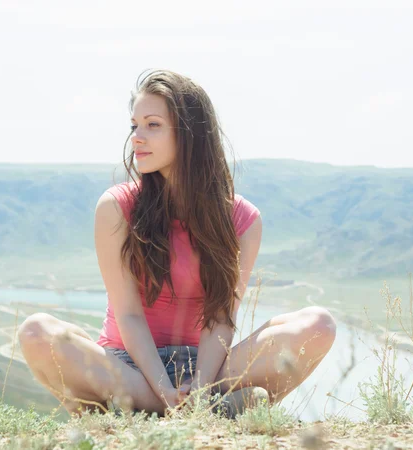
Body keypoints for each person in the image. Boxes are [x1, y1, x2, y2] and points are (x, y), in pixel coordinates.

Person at [17, 69, 336, 418]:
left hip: (209, 370)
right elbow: (128, 314)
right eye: (134, 125)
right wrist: (163, 389)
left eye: (152, 125)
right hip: (130, 367)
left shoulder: (242, 219)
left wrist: (199, 386)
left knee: (318, 325)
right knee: (36, 332)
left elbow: (221, 316)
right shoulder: (117, 206)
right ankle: (199, 409)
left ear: (189, 134)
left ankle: (157, 409)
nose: (137, 137)